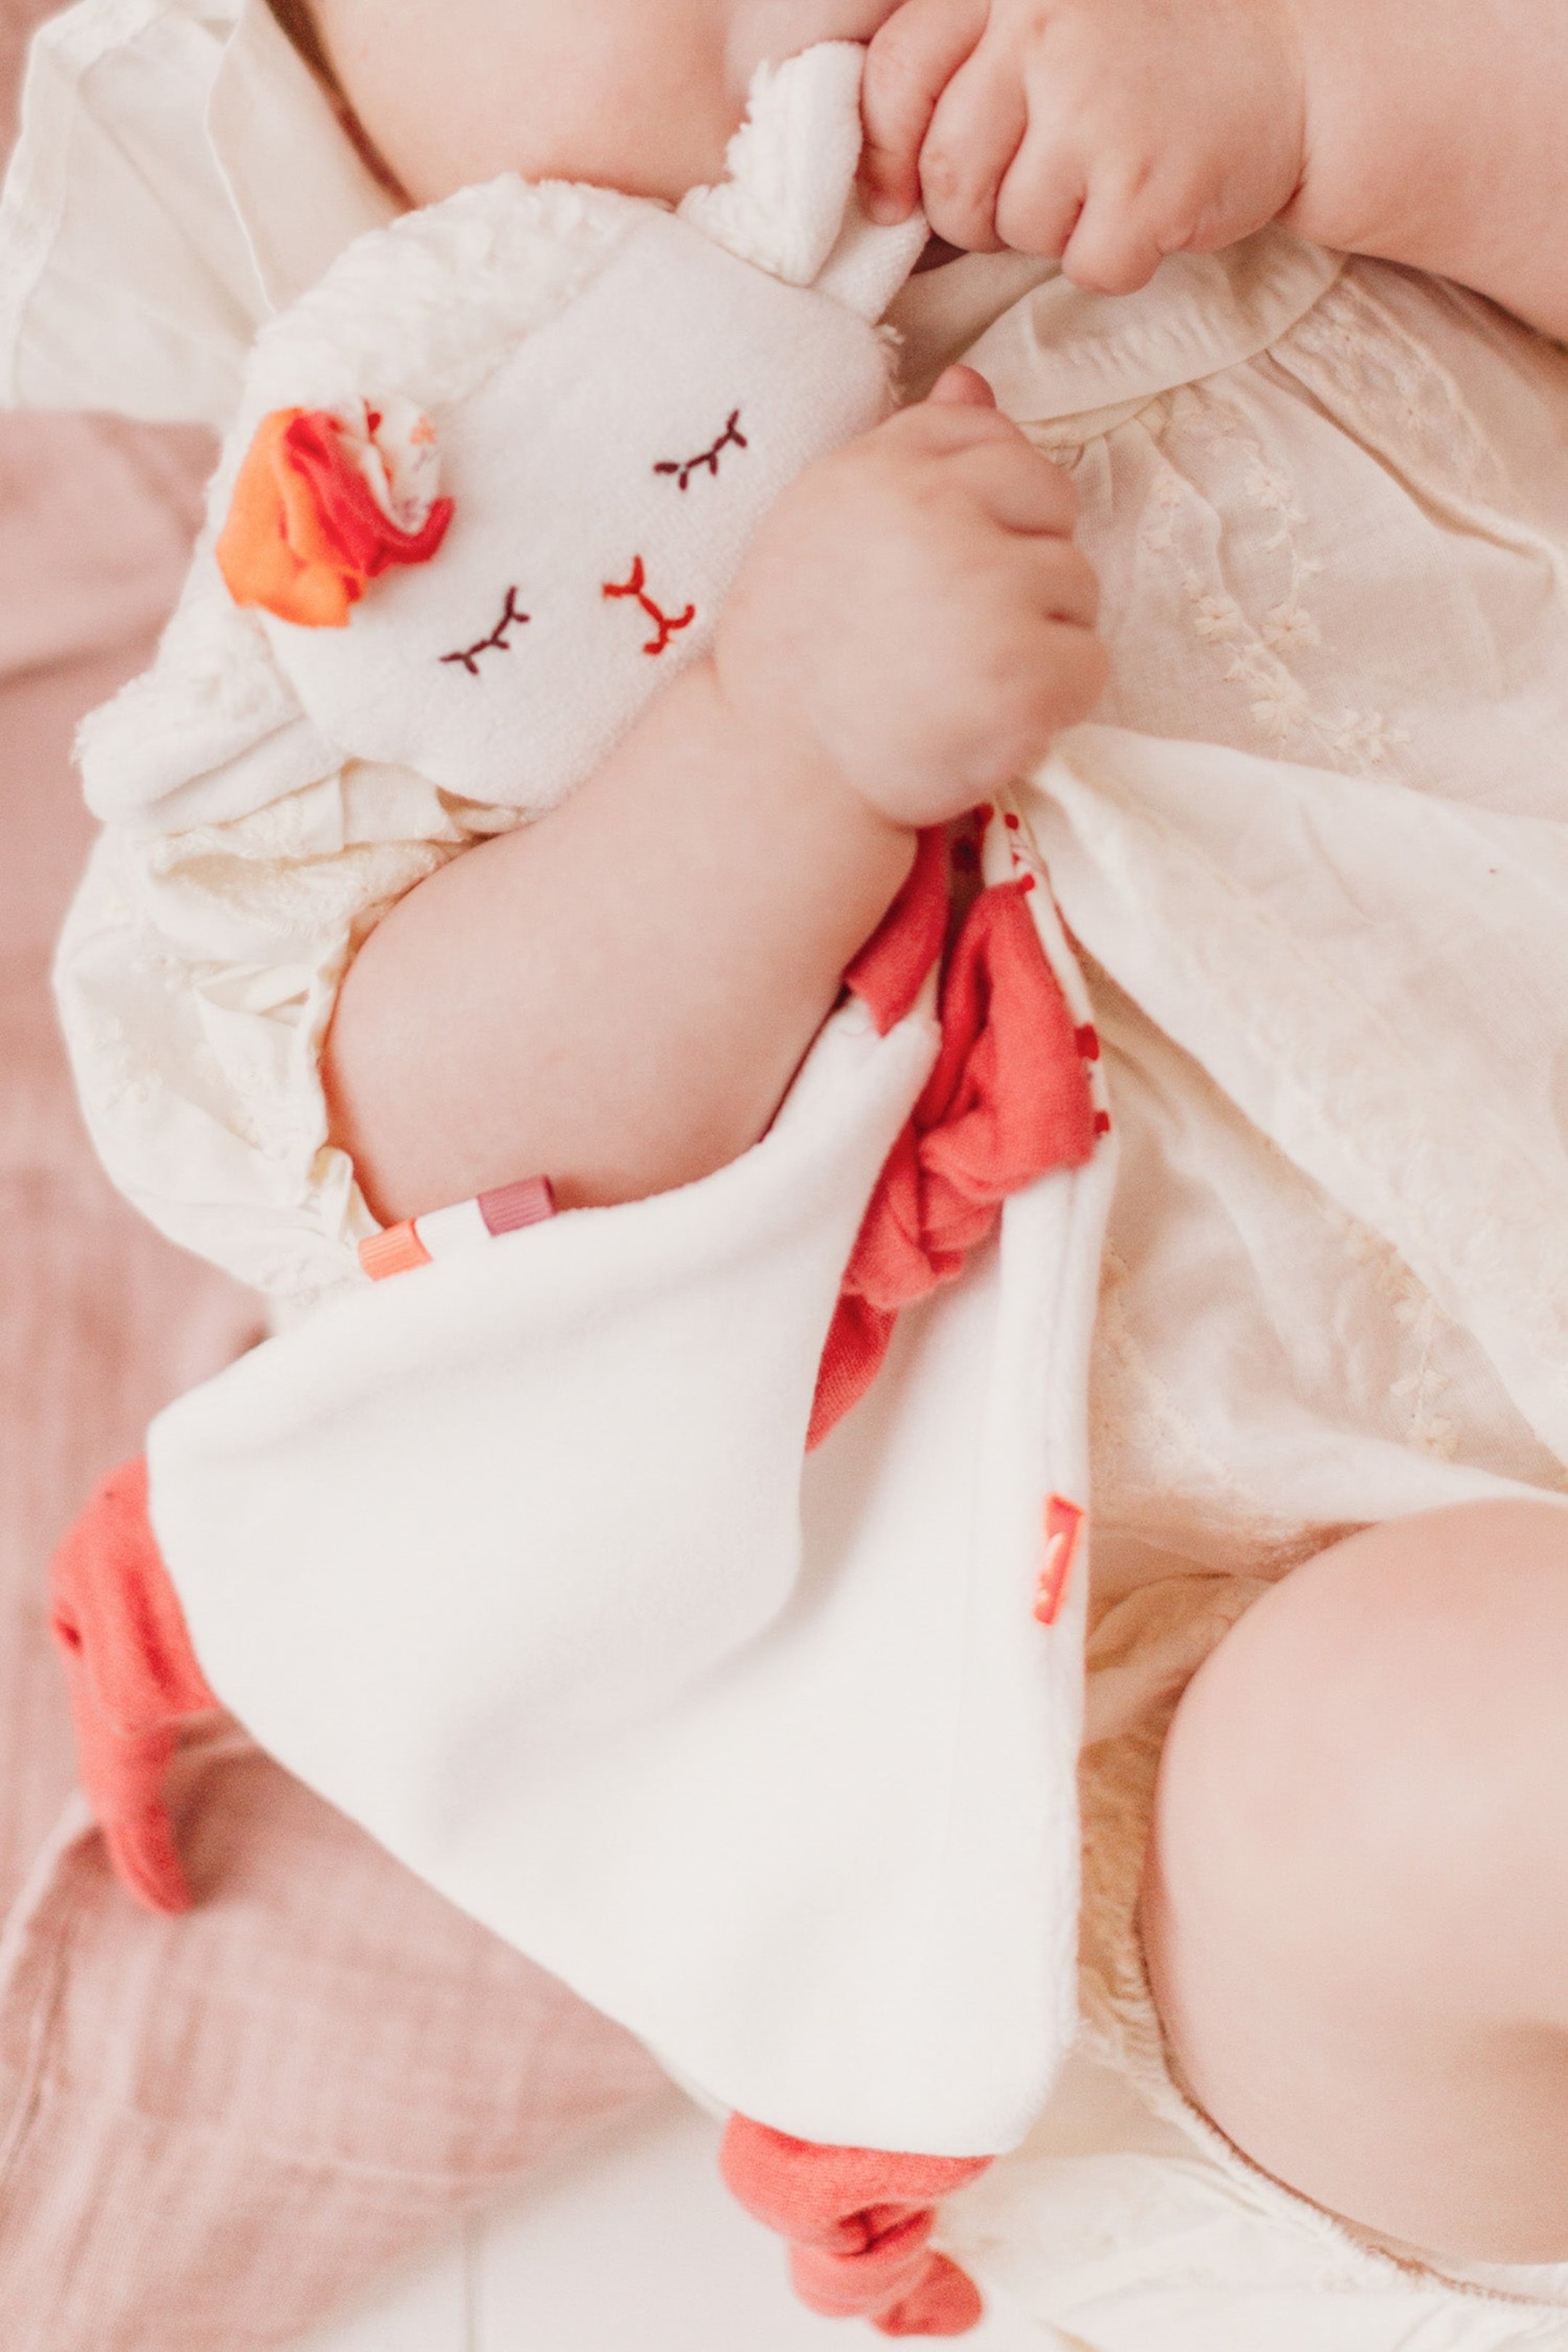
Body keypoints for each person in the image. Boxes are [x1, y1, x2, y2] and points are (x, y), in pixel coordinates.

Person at [11, 0, 1568, 2340]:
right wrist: (772, 751)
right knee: (1373, 1784)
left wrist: (1334, 103)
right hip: (1249, 1659)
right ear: (300, 94)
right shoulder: (380, 624)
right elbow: (428, 1175)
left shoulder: (1258, 95)